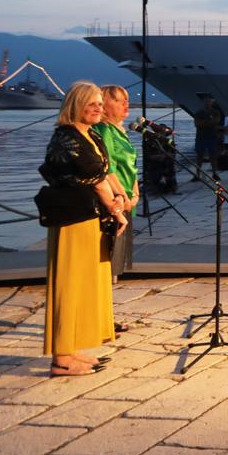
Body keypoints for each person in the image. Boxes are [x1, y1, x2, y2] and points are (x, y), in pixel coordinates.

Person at [39, 82, 127, 377]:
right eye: (92, 104)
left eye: (101, 104)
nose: (98, 109)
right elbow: (94, 177)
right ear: (75, 105)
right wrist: (117, 209)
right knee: (71, 285)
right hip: (72, 220)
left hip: (90, 219)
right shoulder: (67, 137)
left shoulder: (90, 135)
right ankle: (62, 358)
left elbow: (105, 172)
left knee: (87, 285)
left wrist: (121, 196)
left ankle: (74, 349)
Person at [92, 84, 139, 296]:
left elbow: (131, 165)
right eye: (119, 100)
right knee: (108, 258)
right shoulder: (104, 129)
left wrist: (135, 192)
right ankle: (103, 315)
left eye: (126, 100)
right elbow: (108, 168)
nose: (126, 104)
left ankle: (107, 314)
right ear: (104, 104)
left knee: (117, 260)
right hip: (115, 201)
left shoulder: (120, 130)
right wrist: (122, 195)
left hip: (127, 198)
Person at [192, 96, 222, 180]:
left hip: (211, 137)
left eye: (209, 102)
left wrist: (203, 122)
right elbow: (197, 124)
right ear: (203, 102)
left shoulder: (216, 112)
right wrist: (209, 122)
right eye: (206, 102)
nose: (207, 103)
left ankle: (215, 173)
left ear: (211, 103)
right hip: (200, 137)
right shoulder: (198, 113)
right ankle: (197, 174)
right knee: (199, 156)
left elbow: (216, 121)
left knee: (213, 156)